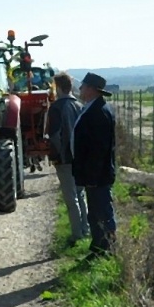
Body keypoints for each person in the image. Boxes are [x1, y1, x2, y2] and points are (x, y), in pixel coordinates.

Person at [71, 71, 117, 256]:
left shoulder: (99, 112)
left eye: (82, 86)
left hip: (97, 175)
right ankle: (99, 247)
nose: (80, 89)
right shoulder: (92, 107)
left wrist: (91, 175)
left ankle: (109, 248)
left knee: (103, 212)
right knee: (95, 212)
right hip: (93, 174)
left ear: (91, 89)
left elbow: (99, 149)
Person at [45, 72, 89, 244]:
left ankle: (76, 234)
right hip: (80, 157)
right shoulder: (79, 105)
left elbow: (55, 135)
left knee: (71, 199)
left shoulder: (56, 108)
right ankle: (85, 229)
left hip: (65, 158)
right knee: (81, 194)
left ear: (59, 87)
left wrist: (54, 153)